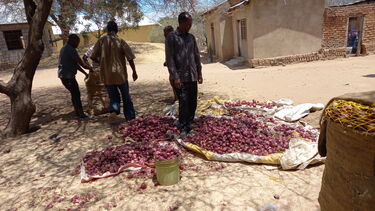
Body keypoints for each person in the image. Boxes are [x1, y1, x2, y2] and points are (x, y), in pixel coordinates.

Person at [91, 21, 138, 121]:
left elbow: (93, 56)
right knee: (126, 96)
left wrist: (102, 63)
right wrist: (134, 71)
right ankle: (130, 117)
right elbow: (130, 58)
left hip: (107, 76)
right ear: (116, 30)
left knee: (113, 97)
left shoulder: (101, 40)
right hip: (120, 75)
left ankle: (114, 111)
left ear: (107, 30)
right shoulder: (120, 41)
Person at [165, 12, 203, 134]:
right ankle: (183, 124)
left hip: (192, 75)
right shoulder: (172, 37)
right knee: (183, 102)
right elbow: (169, 59)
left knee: (193, 101)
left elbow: (196, 56)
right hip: (180, 77)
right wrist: (175, 76)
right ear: (181, 23)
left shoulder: (191, 38)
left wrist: (199, 72)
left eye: (191, 24)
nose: (190, 26)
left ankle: (190, 122)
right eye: (188, 24)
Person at [58, 34, 93, 119]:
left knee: (74, 94)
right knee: (76, 94)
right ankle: (81, 114)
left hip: (64, 76)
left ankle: (78, 111)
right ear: (72, 40)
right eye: (77, 42)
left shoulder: (64, 48)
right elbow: (81, 63)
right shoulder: (71, 49)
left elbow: (75, 64)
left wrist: (85, 73)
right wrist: (91, 68)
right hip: (68, 76)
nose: (77, 44)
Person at [163, 25, 178, 102]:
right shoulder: (168, 40)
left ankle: (177, 98)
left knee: (173, 80)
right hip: (171, 65)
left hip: (175, 65)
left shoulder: (174, 39)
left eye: (165, 32)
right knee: (172, 81)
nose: (164, 35)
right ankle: (176, 97)